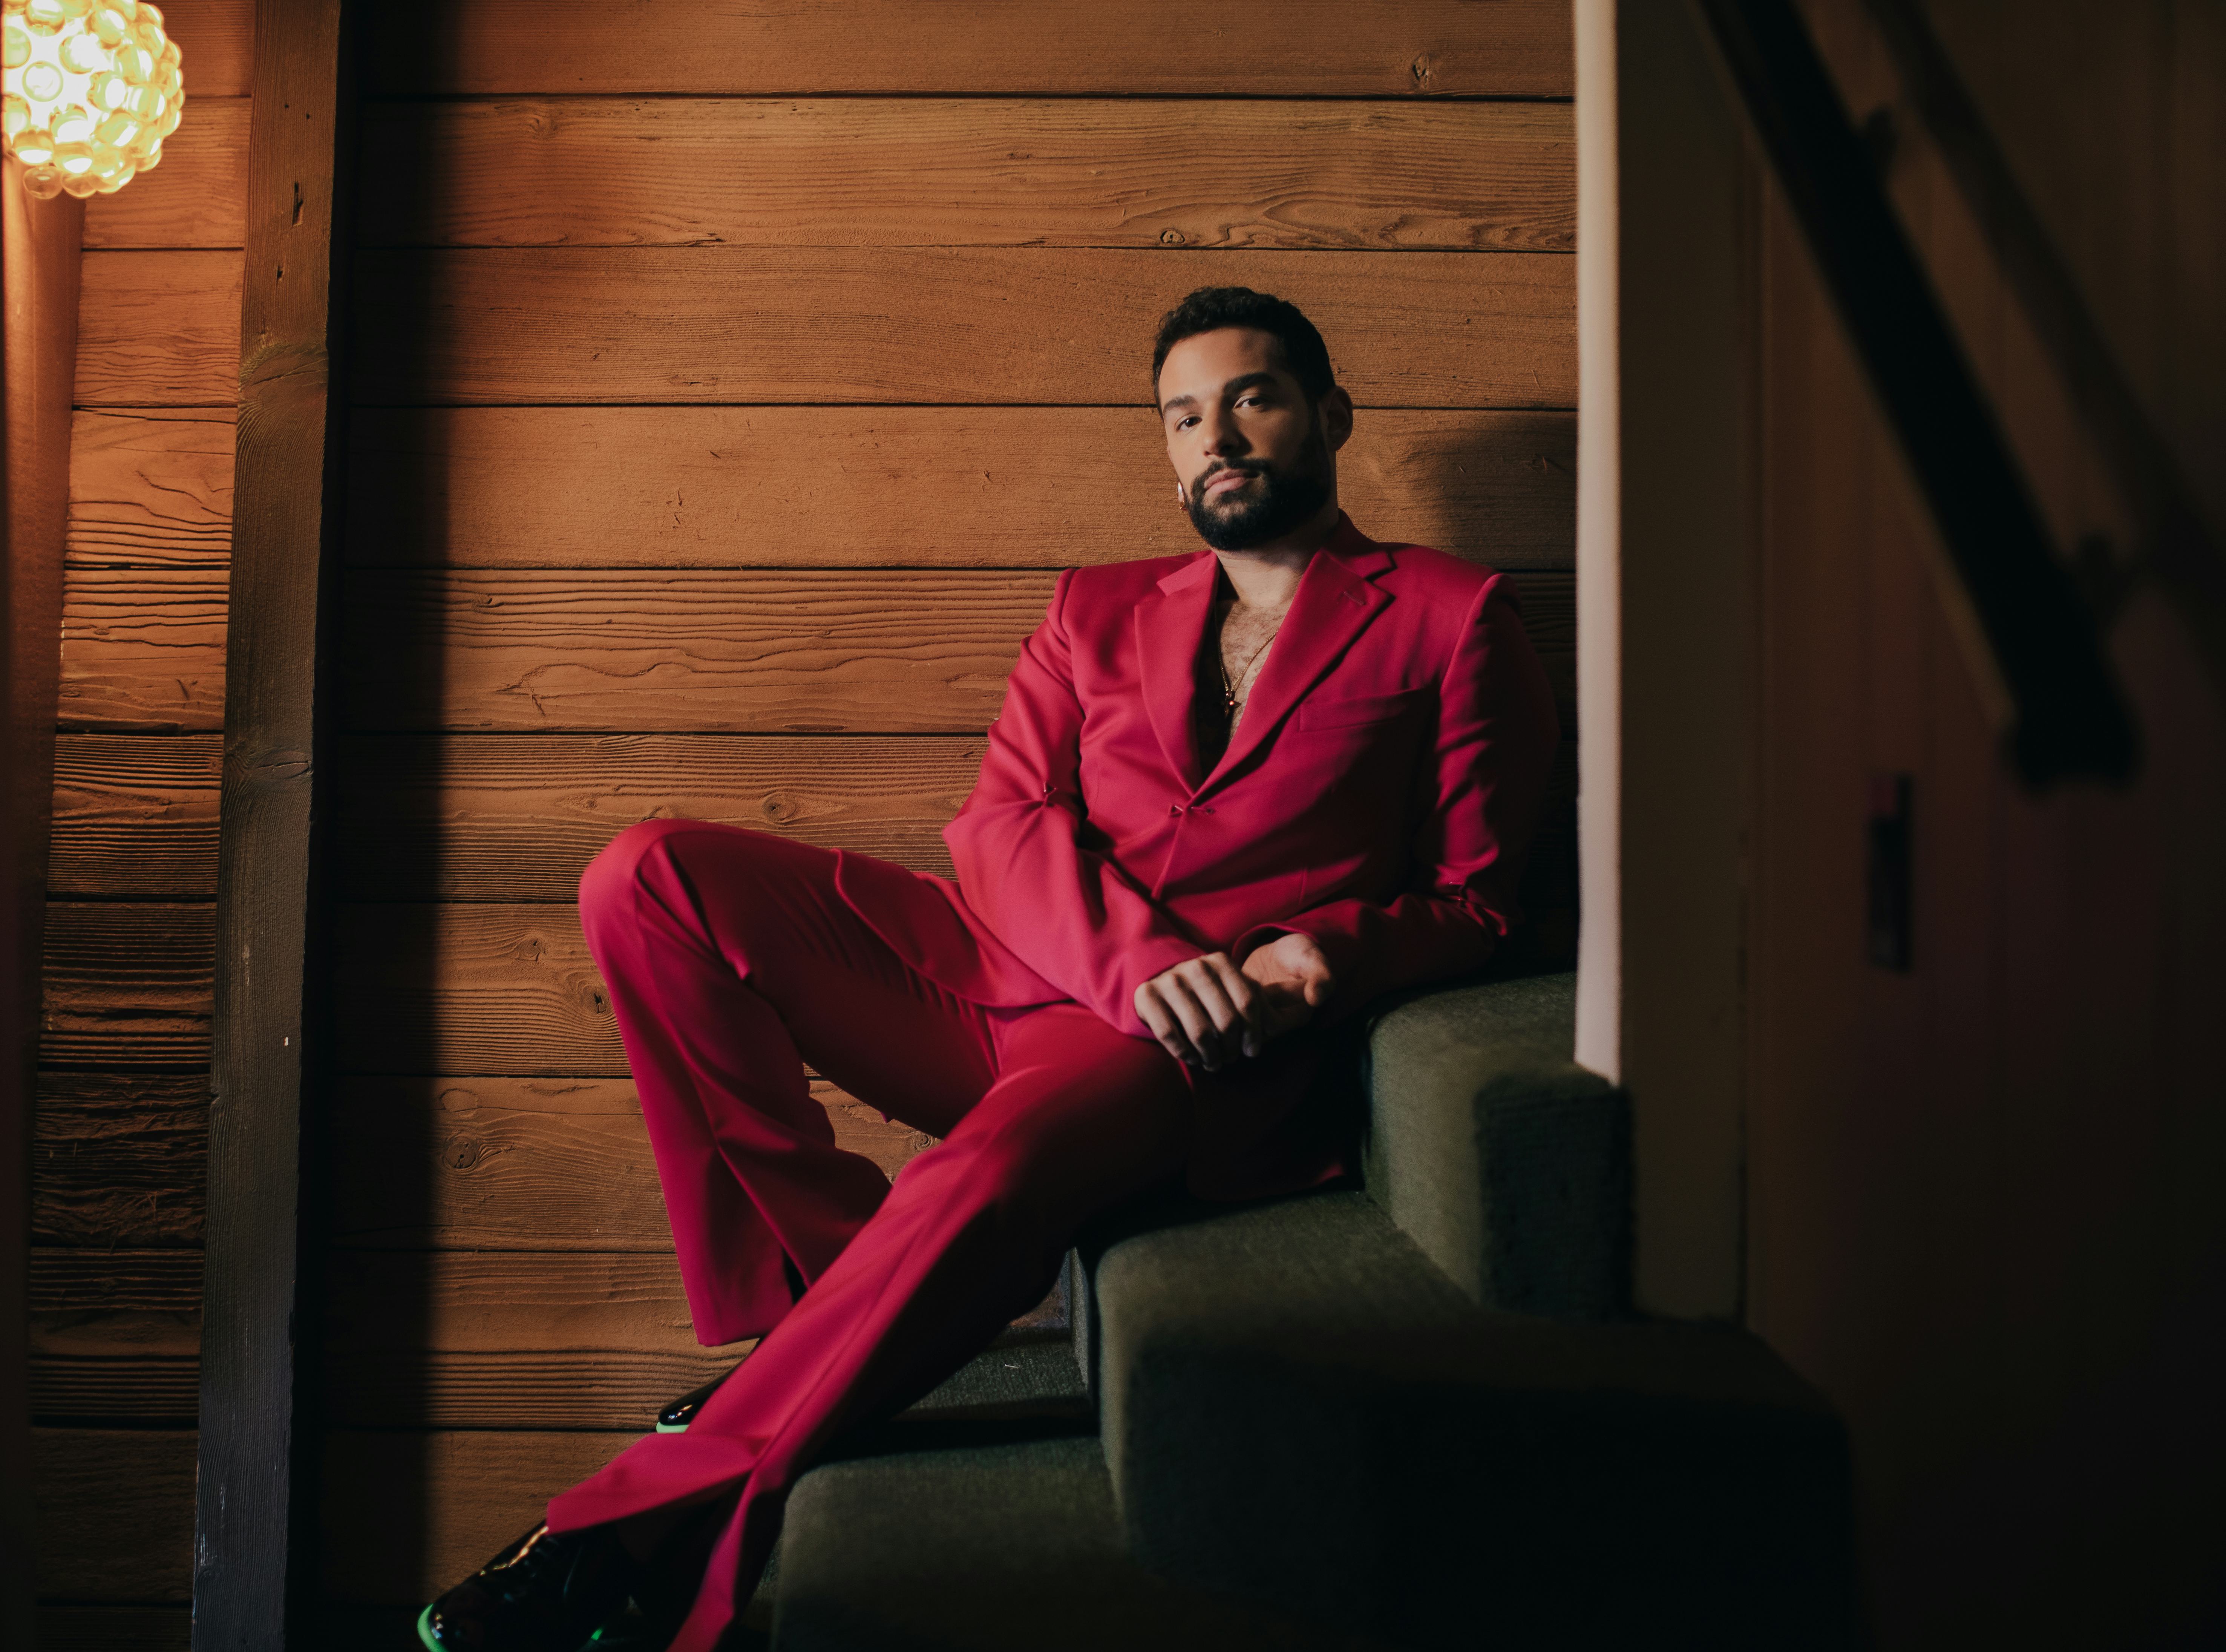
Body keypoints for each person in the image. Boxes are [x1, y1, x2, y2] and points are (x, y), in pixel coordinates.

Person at [418, 286, 1562, 1651]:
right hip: (1016, 965)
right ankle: (818, 1316)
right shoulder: (1094, 607)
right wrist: (1133, 959)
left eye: (1251, 399)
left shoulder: (1451, 614)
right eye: (1182, 416)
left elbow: (1476, 903)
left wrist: (1322, 952)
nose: (1215, 438)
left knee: (988, 1171)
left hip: (1193, 1041)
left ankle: (619, 1535)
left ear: (1331, 414)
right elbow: (1002, 820)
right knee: (645, 876)